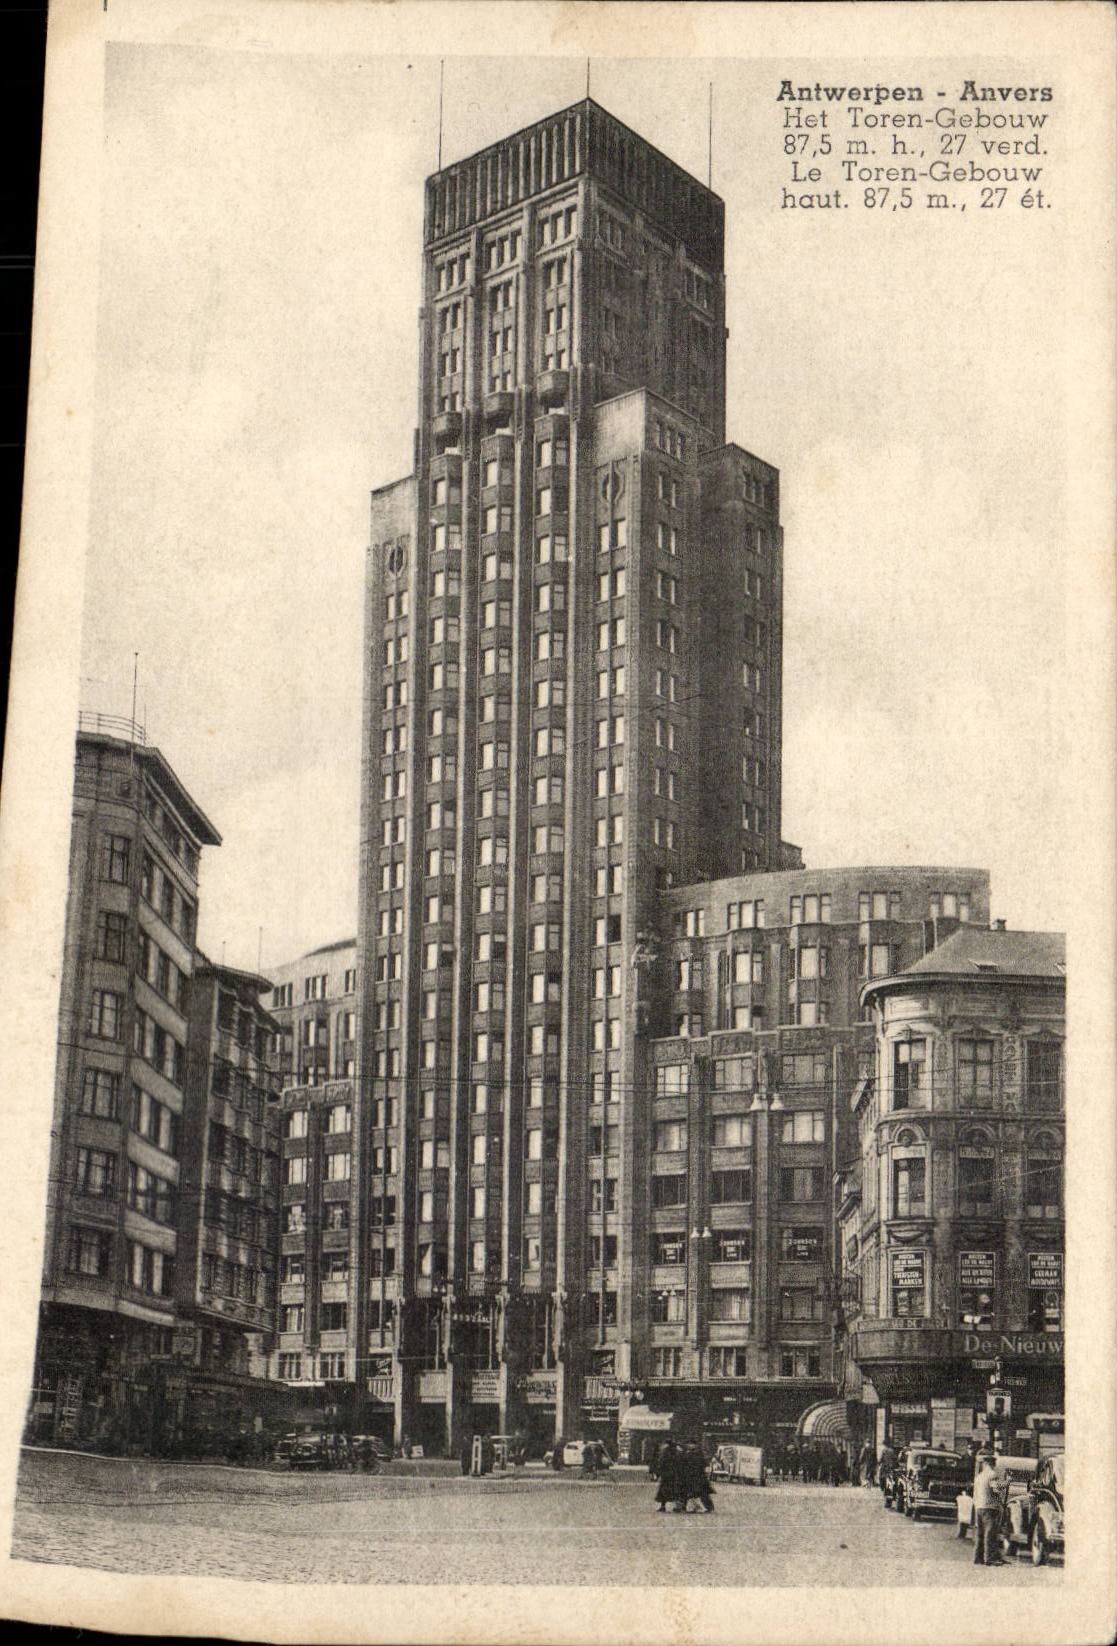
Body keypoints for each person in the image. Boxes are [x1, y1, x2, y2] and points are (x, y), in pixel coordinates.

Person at [972, 1452, 1005, 1566]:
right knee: (990, 1533)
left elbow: (975, 1494)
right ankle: (990, 1558)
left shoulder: (979, 1477)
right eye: (994, 1463)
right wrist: (1006, 1484)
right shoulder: (992, 1475)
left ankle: (978, 1558)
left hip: (979, 1506)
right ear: (991, 1463)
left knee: (980, 1534)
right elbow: (996, 1489)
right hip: (990, 1507)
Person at [654, 1440, 680, 1512]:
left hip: (666, 1474)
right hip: (674, 1474)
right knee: (675, 1490)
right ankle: (678, 1506)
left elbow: (661, 1462)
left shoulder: (665, 1452)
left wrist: (658, 1473)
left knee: (664, 1491)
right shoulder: (676, 1452)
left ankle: (663, 1506)